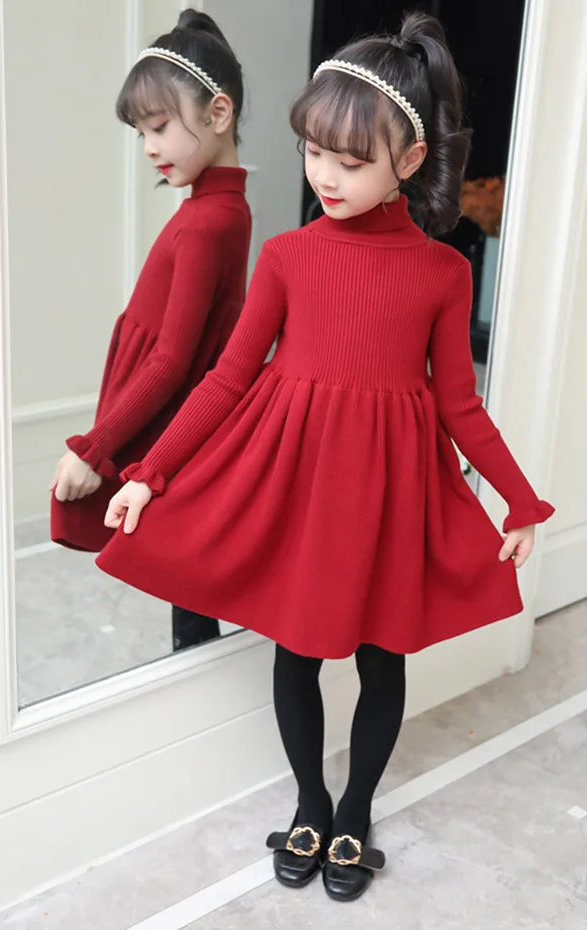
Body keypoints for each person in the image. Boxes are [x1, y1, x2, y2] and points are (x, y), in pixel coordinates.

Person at [97, 12, 554, 901]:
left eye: (351, 161)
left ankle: (355, 813)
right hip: (301, 483)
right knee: (298, 651)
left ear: (408, 162)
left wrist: (520, 498)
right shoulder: (287, 257)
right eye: (314, 153)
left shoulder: (443, 273)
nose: (326, 176)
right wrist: (150, 472)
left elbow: (459, 404)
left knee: (382, 657)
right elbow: (228, 380)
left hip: (391, 490)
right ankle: (310, 803)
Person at [49, 9, 251, 652]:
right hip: (174, 411)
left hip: (169, 420)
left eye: (160, 128)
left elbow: (171, 360)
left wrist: (95, 447)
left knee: (181, 580)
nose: (150, 149)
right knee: (181, 580)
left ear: (218, 114)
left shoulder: (208, 223)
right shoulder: (218, 209)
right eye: (141, 134)